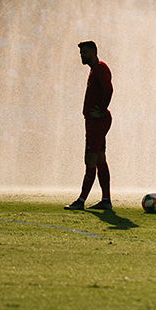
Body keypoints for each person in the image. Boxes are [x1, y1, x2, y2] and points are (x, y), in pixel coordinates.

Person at [65, 41, 113, 211]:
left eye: (85, 52)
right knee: (100, 159)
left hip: (97, 121)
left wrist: (101, 110)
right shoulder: (96, 69)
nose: (82, 56)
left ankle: (81, 200)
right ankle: (106, 200)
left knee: (90, 160)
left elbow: (108, 89)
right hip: (96, 120)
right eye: (81, 53)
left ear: (93, 51)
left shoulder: (100, 68)